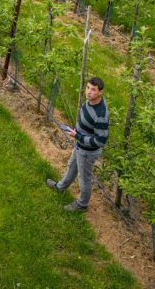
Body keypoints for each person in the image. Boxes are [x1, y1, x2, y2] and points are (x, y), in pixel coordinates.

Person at [46, 76, 109, 212]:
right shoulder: (89, 102)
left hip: (88, 152)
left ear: (100, 92)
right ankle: (60, 187)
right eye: (87, 88)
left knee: (84, 179)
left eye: (93, 90)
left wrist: (78, 136)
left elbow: (101, 141)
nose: (88, 92)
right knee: (71, 166)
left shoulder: (101, 115)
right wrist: (77, 132)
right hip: (80, 145)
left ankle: (82, 205)